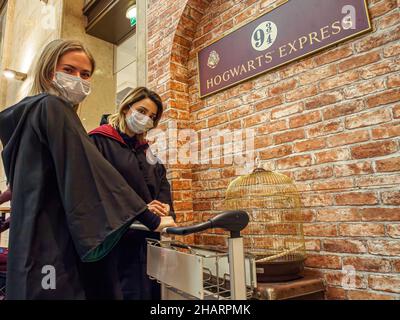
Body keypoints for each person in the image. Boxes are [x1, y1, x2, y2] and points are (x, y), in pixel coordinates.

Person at [0, 39, 176, 300]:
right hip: (57, 237)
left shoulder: (32, 113)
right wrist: (146, 215)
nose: (78, 80)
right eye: (69, 70)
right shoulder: (54, 108)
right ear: (49, 71)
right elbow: (91, 174)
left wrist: (159, 207)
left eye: (85, 74)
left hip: (37, 235)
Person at [89, 87, 175, 300]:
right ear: (127, 107)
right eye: (142, 111)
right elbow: (99, 189)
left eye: (152, 117)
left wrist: (164, 207)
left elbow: (162, 182)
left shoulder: (147, 150)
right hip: (116, 241)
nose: (146, 119)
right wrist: (140, 210)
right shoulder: (98, 141)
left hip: (149, 240)